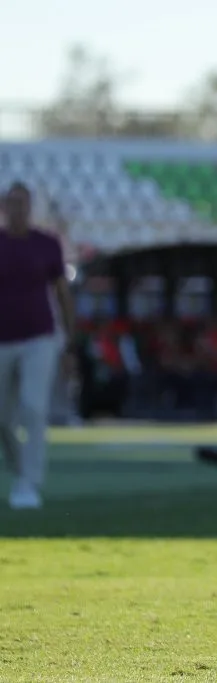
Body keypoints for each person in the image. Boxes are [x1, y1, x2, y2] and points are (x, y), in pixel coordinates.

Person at [0, 182, 75, 510]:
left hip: (39, 339)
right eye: (12, 203)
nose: (18, 208)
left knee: (33, 408)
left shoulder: (46, 244)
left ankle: (28, 483)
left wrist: (70, 342)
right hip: (2, 340)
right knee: (3, 418)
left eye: (23, 202)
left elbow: (62, 293)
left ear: (30, 207)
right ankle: (19, 468)